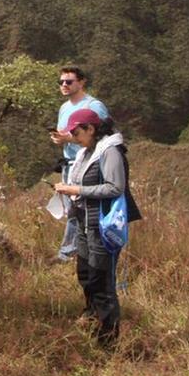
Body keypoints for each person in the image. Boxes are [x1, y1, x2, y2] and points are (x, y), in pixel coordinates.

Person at [53, 110, 130, 345]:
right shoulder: (87, 151)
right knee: (86, 274)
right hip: (84, 223)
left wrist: (76, 191)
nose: (74, 137)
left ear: (91, 129)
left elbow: (115, 187)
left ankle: (108, 337)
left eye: (77, 132)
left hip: (101, 226)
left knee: (102, 280)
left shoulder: (109, 151)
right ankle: (91, 317)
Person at [49, 66, 110, 264]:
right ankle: (76, 251)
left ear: (81, 82)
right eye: (61, 82)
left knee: (82, 208)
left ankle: (69, 254)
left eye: (69, 81)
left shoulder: (94, 106)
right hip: (69, 164)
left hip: (87, 163)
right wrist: (61, 139)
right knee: (73, 209)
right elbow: (66, 133)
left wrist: (69, 139)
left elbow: (101, 136)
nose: (64, 86)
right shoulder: (64, 108)